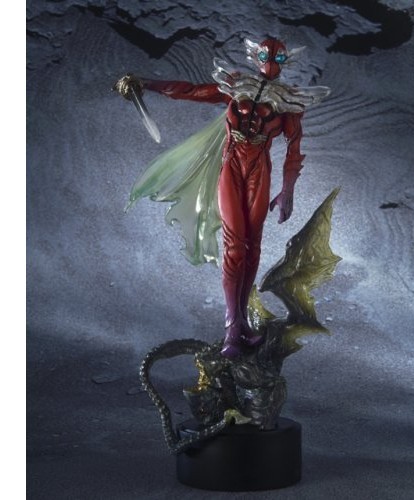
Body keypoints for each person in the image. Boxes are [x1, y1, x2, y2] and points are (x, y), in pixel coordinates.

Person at [115, 37, 330, 358]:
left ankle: (241, 324)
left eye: (278, 59)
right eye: (264, 55)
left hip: (259, 171)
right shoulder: (236, 87)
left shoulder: (288, 101)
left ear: (287, 61)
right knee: (235, 246)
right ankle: (232, 328)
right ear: (255, 56)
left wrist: (287, 192)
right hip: (231, 168)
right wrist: (147, 83)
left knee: (251, 247)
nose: (270, 62)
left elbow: (294, 151)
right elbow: (191, 91)